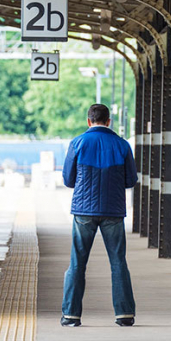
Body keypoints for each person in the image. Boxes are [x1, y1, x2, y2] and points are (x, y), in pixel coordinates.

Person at [60, 104, 138, 327]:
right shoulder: (122, 145)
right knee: (118, 262)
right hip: (113, 211)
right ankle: (124, 314)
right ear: (108, 121)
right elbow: (131, 180)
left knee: (77, 263)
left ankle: (71, 315)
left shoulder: (77, 143)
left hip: (83, 211)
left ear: (88, 121)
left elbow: (68, 180)